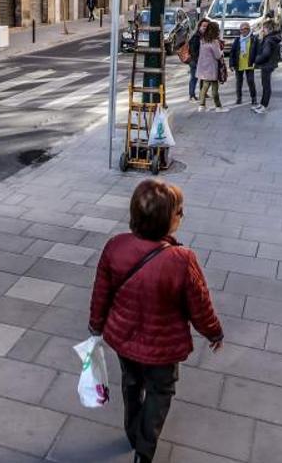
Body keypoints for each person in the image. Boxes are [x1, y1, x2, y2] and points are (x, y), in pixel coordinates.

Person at [88, 179, 223, 463]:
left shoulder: (115, 247)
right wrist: (214, 333)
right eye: (179, 211)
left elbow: (101, 293)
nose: (182, 215)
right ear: (167, 220)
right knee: (160, 391)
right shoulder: (182, 259)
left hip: (124, 340)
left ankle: (132, 432)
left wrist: (96, 326)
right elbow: (200, 305)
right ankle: (144, 450)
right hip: (163, 350)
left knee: (131, 383)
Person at [252, 21, 282, 114]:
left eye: (264, 28)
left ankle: (264, 106)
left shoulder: (269, 39)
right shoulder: (273, 37)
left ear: (268, 29)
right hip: (270, 64)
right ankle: (262, 104)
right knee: (265, 85)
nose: (262, 30)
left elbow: (265, 54)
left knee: (266, 86)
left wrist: (257, 60)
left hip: (267, 64)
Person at [195, 21, 225, 112]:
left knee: (204, 87)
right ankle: (218, 106)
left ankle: (201, 105)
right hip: (212, 68)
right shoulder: (214, 42)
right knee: (214, 88)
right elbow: (217, 55)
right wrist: (222, 52)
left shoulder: (203, 40)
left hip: (203, 67)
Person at [229, 23, 261, 106]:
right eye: (242, 29)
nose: (243, 31)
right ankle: (239, 98)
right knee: (239, 82)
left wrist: (256, 62)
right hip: (239, 64)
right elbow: (232, 52)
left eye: (246, 29)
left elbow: (258, 51)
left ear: (249, 29)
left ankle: (254, 98)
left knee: (250, 81)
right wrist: (231, 64)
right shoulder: (237, 40)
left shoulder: (254, 39)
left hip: (249, 63)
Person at [187, 19, 207, 101]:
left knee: (203, 77)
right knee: (194, 78)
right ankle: (191, 95)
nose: (205, 28)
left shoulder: (205, 36)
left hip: (202, 60)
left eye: (207, 26)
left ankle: (203, 93)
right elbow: (192, 50)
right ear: (199, 27)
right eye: (204, 26)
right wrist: (197, 60)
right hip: (195, 61)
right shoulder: (196, 37)